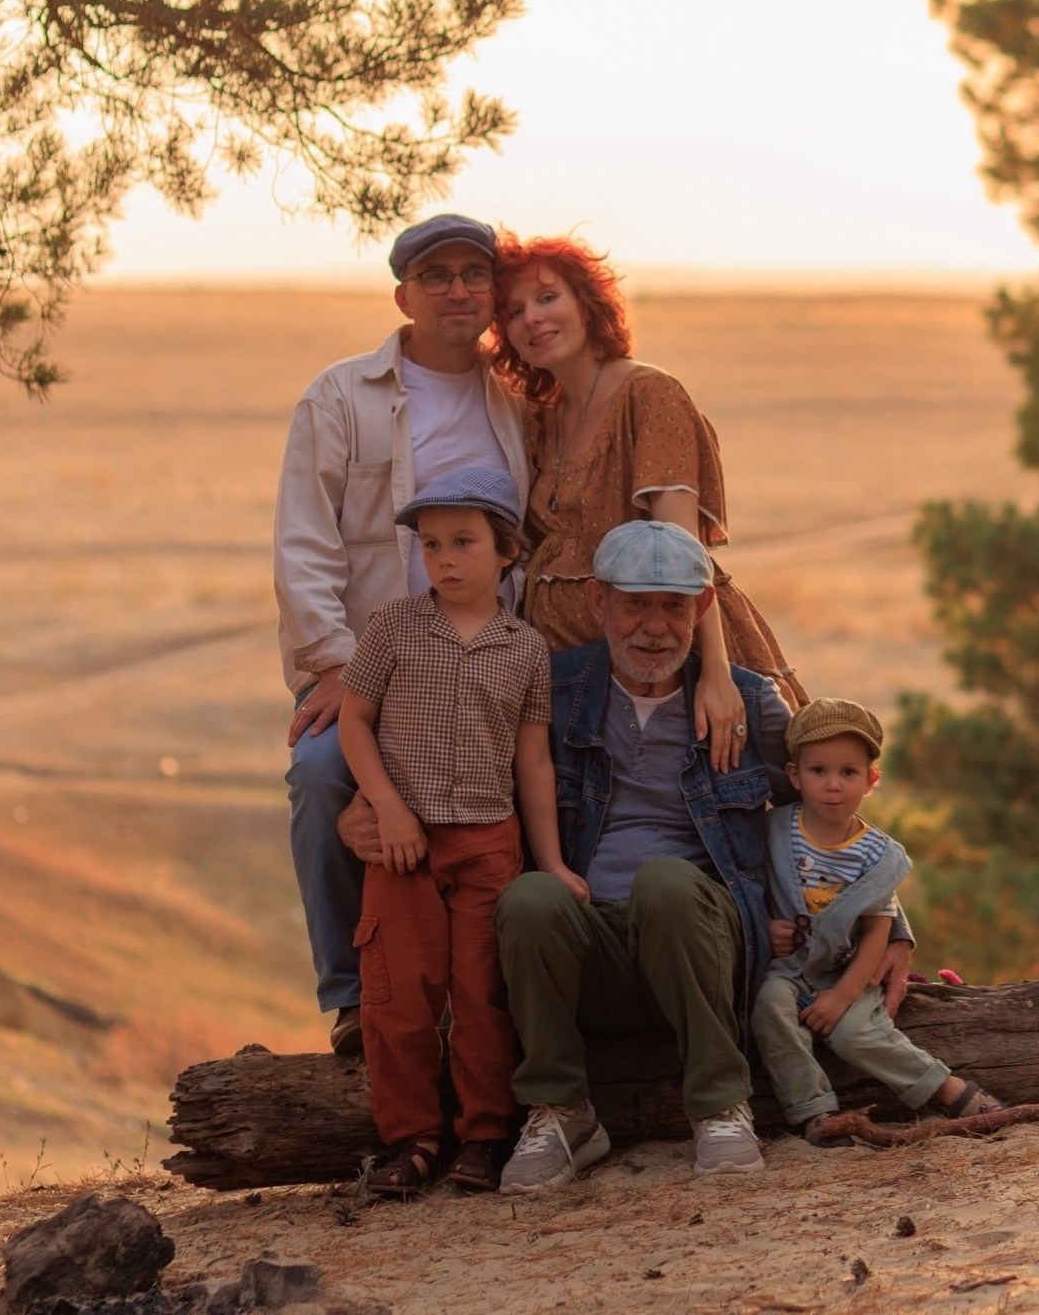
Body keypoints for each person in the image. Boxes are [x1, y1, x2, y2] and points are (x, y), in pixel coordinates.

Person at [454, 521, 903, 1191]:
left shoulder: (747, 700)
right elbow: (470, 774)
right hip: (591, 945)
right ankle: (562, 1111)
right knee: (530, 898)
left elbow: (832, 796)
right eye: (636, 603)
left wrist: (889, 919)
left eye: (673, 606)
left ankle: (721, 1104)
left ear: (699, 611)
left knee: (664, 883)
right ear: (597, 604)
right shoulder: (553, 684)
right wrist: (371, 804)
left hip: (701, 942)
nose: (654, 627)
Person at [275, 214, 530, 1054]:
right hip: (376, 666)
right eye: (436, 276)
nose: (457, 289)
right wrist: (336, 667)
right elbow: (305, 542)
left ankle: (499, 997)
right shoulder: (343, 396)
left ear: (494, 293)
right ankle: (356, 998)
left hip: (492, 657)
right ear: (404, 294)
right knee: (321, 778)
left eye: (473, 274)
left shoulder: (523, 399)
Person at [335, 466, 572, 1194]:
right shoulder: (393, 628)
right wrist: (386, 805)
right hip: (404, 847)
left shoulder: (525, 648)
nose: (443, 559)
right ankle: (410, 1142)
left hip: (487, 844)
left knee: (482, 996)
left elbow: (532, 761)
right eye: (431, 545)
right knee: (398, 996)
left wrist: (553, 863)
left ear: (507, 551)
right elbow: (353, 722)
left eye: (463, 542)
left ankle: (484, 1137)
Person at [489, 232, 803, 761]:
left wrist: (716, 676)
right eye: (514, 311)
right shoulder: (543, 417)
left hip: (660, 652)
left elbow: (682, 553)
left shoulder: (648, 395)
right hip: (573, 671)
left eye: (547, 298)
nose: (533, 318)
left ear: (588, 303)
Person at [751, 698, 1002, 1147]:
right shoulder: (774, 831)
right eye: (818, 771)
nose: (832, 786)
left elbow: (876, 934)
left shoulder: (877, 856)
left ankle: (948, 1088)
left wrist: (842, 996)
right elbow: (748, 889)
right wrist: (766, 926)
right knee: (770, 1006)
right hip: (787, 971)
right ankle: (815, 1110)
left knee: (856, 1035)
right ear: (794, 776)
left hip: (850, 971)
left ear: (871, 780)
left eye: (848, 773)